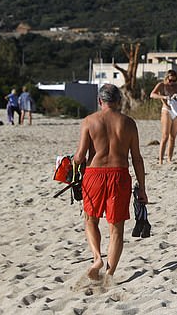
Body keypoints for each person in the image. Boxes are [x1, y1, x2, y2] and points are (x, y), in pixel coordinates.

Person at [74, 84, 147, 280]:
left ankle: (97, 258)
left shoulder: (89, 121)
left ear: (100, 101)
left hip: (94, 175)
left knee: (91, 219)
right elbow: (137, 158)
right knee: (116, 229)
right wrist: (142, 188)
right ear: (119, 101)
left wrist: (69, 163)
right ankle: (109, 273)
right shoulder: (129, 123)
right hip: (120, 175)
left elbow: (80, 156)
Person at [150, 69, 177, 164]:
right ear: (166, 78)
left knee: (173, 137)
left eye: (174, 81)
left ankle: (169, 158)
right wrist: (163, 97)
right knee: (165, 136)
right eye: (170, 80)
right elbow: (152, 94)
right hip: (166, 110)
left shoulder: (175, 87)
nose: (172, 83)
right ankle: (161, 160)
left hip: (176, 111)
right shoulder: (161, 85)